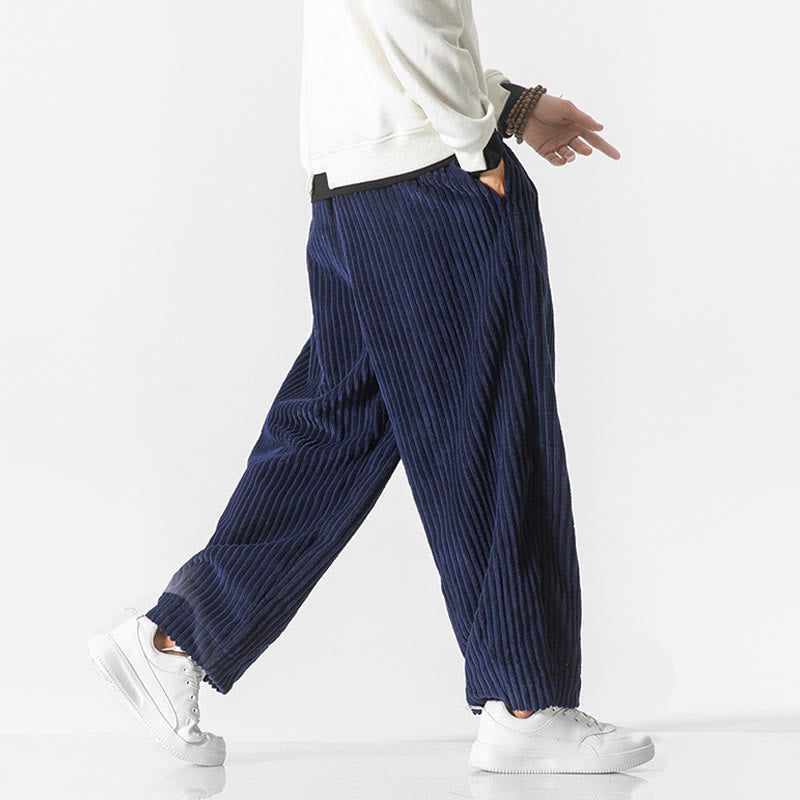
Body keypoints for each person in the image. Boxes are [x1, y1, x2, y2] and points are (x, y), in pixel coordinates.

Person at [88, 0, 655, 774]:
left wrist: (508, 107)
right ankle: (525, 701)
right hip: (428, 181)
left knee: (337, 428)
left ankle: (176, 639)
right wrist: (475, 141)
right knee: (492, 423)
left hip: (357, 183)